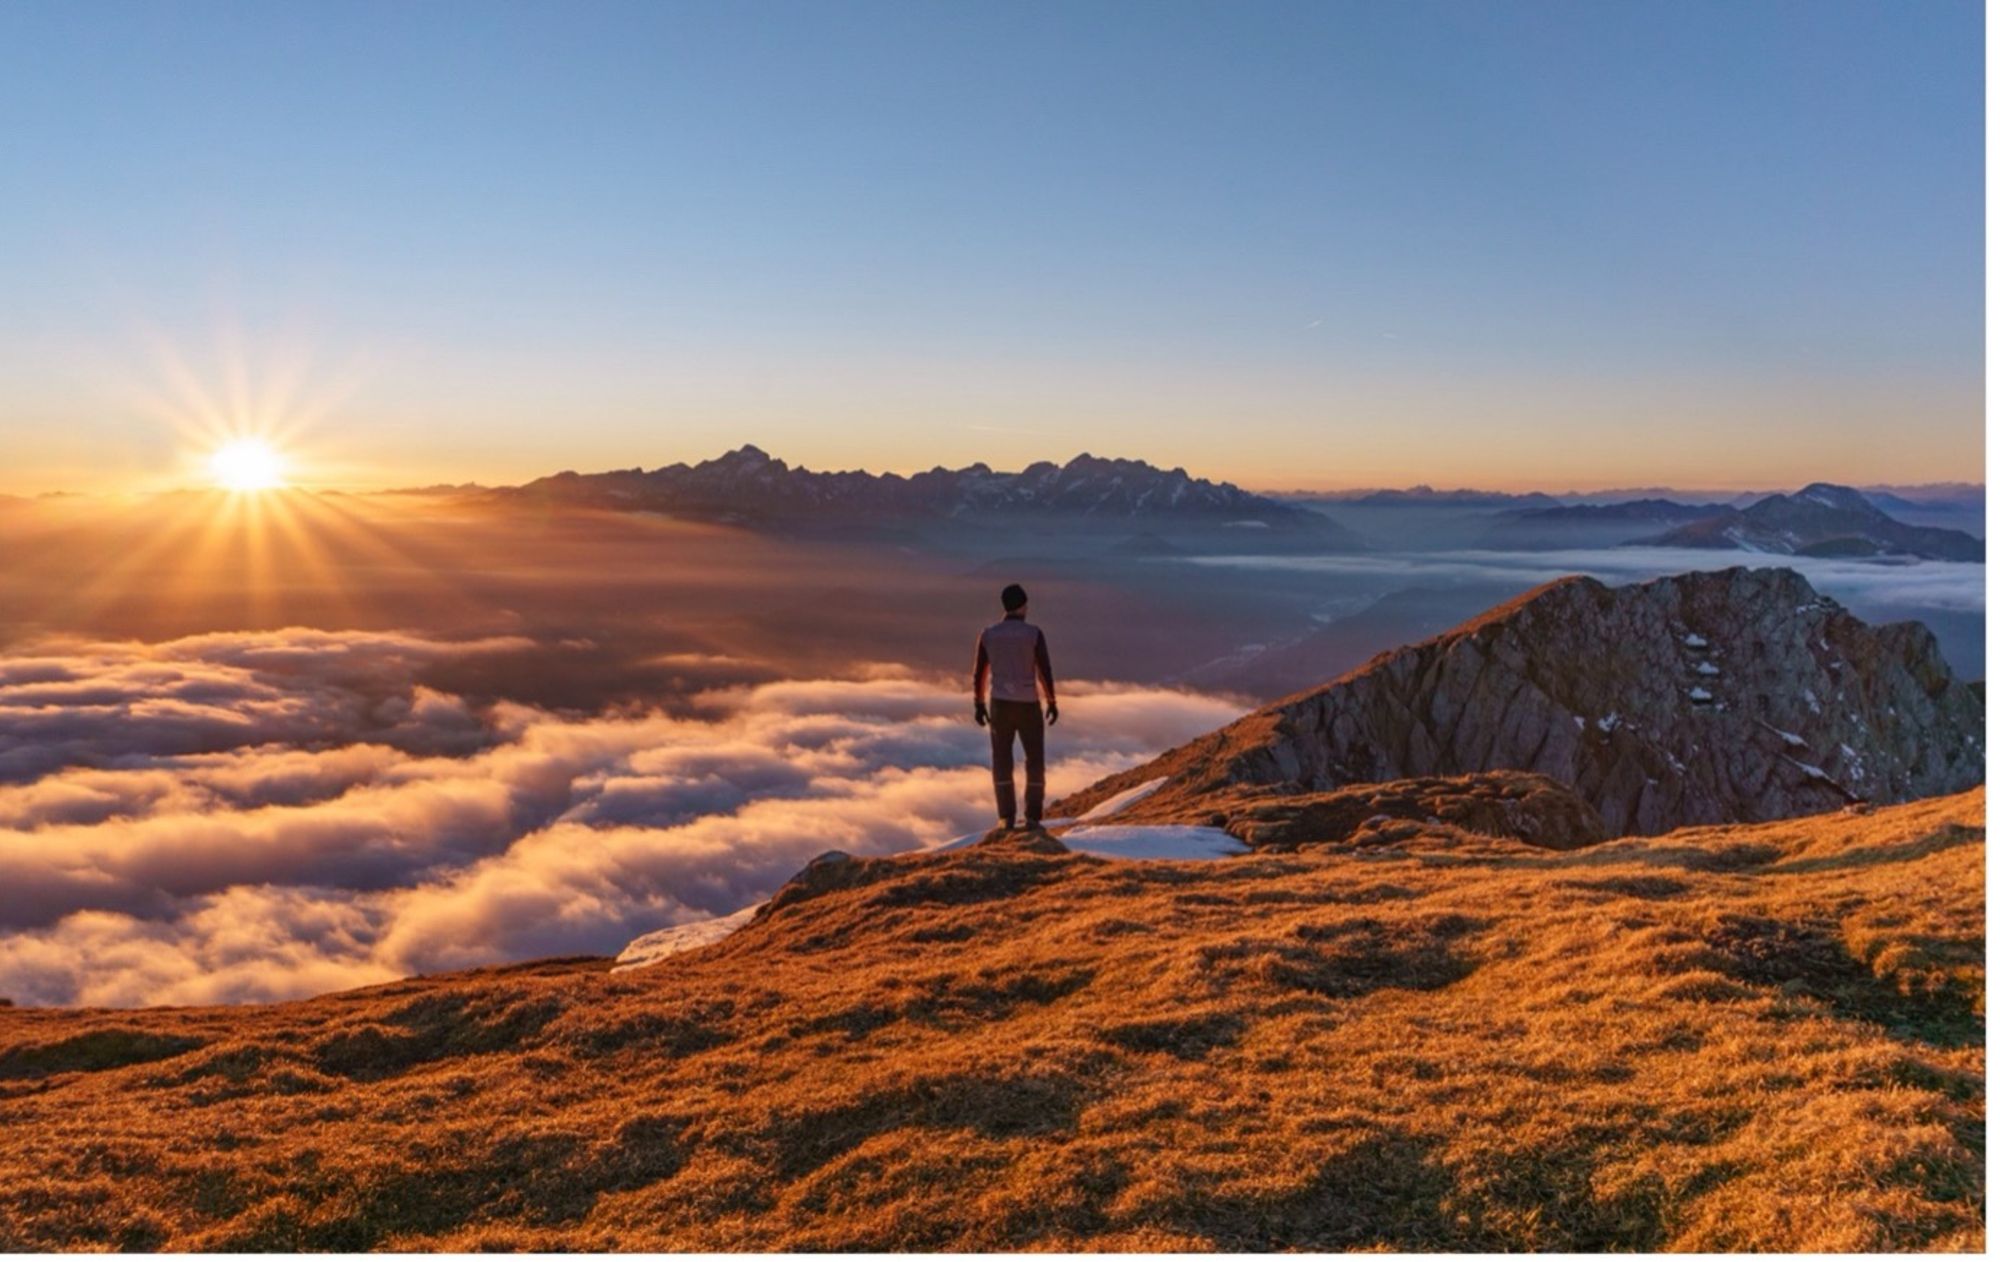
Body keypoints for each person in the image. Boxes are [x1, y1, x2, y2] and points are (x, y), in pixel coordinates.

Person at [972, 582, 1058, 830]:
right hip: (1028, 703)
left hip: (1000, 703)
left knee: (1001, 760)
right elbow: (1044, 670)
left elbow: (980, 673)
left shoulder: (988, 634)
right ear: (1023, 605)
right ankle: (1032, 816)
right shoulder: (1034, 634)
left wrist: (978, 703)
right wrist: (1051, 701)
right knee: (1034, 760)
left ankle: (1006, 817)